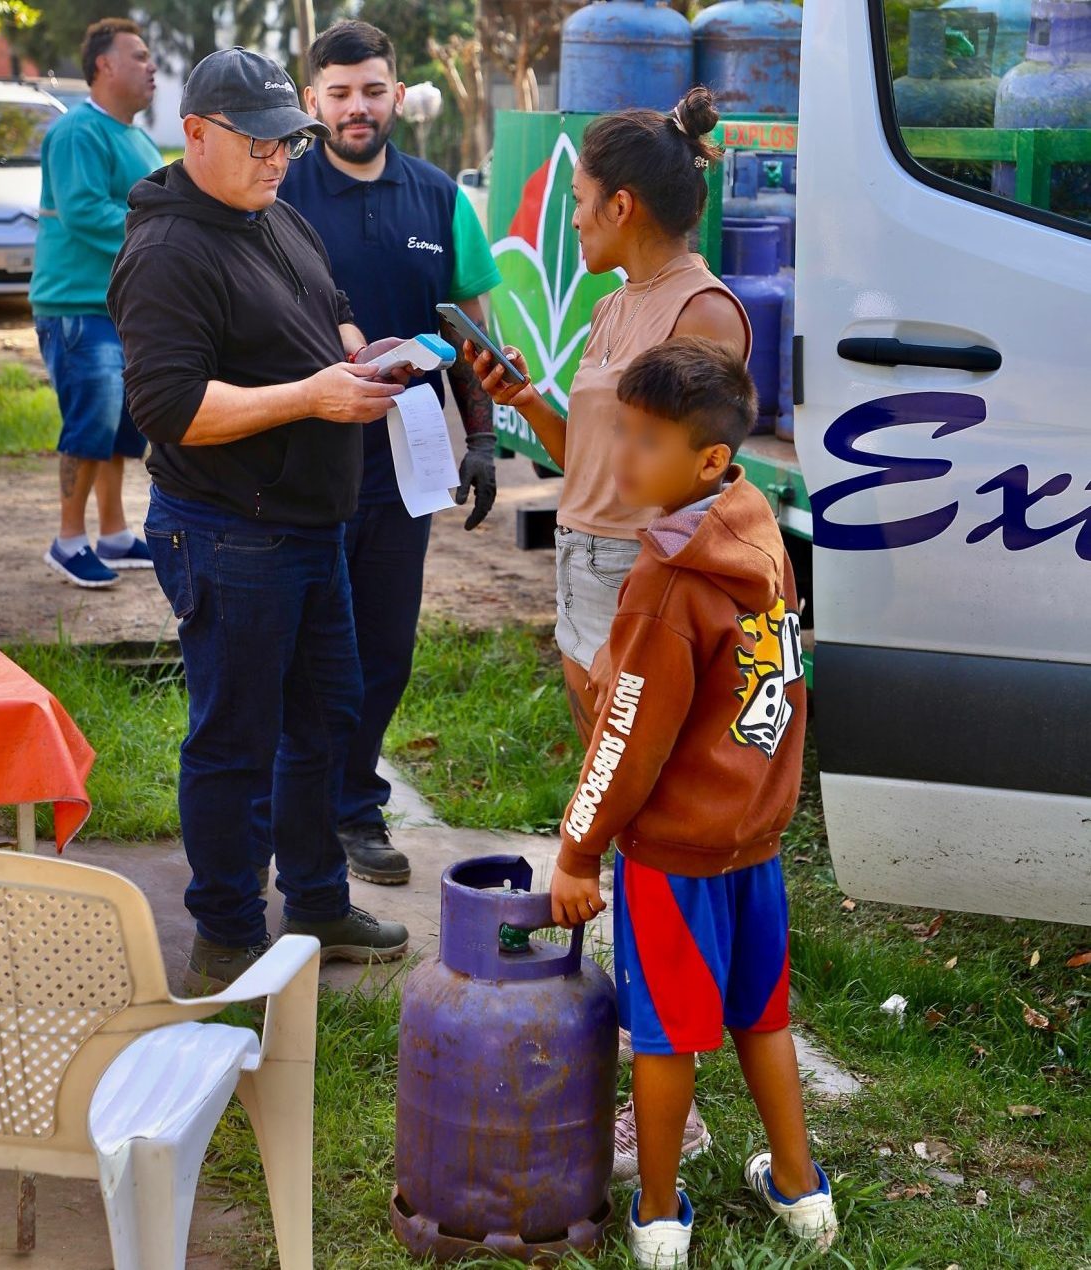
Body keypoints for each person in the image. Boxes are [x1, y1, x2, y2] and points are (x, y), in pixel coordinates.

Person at [467, 86, 749, 1180]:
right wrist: (522, 399)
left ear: (622, 204)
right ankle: (649, 1064)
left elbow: (699, 485)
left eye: (580, 201)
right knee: (620, 816)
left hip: (641, 582)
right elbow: (583, 459)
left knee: (641, 820)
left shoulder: (700, 313)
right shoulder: (611, 306)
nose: (573, 217)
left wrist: (653, 595)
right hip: (582, 565)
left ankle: (668, 1090)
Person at [107, 47, 411, 991]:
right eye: (261, 142)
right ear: (196, 134)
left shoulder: (273, 212)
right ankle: (228, 935)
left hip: (310, 525)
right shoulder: (168, 251)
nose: (280, 158)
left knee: (323, 721)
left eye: (290, 141)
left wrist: (363, 355)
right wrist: (312, 397)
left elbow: (331, 312)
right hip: (229, 532)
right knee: (234, 742)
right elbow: (169, 408)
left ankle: (316, 900)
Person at [550, 338, 836, 1269]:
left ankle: (661, 1213)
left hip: (675, 856)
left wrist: (579, 850)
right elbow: (773, 693)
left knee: (666, 1035)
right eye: (621, 431)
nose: (622, 456)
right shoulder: (759, 531)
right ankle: (800, 1190)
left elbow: (626, 739)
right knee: (762, 1014)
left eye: (647, 441)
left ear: (709, 459)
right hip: (754, 839)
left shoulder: (666, 582)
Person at [280, 20, 502, 886]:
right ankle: (296, 812)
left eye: (373, 90)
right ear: (312, 101)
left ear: (398, 95)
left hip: (406, 465)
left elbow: (470, 330)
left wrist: (481, 440)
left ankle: (353, 805)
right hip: (298, 465)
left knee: (384, 651)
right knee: (305, 653)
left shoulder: (441, 199)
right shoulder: (279, 190)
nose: (357, 108)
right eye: (338, 93)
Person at [31, 18, 160, 588]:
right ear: (104, 65)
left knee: (120, 426)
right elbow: (84, 211)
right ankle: (67, 540)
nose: (152, 66)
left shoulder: (137, 137)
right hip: (76, 307)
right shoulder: (77, 132)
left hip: (120, 309)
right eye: (140, 56)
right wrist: (158, 233)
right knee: (91, 421)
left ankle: (113, 532)